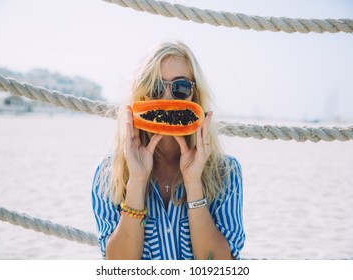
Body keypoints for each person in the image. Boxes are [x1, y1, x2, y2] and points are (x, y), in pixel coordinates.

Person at [91, 40, 245, 260]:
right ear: (139, 95)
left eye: (180, 88)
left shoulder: (225, 171)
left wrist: (193, 184)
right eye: (154, 87)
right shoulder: (109, 173)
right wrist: (136, 181)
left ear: (195, 94)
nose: (167, 99)